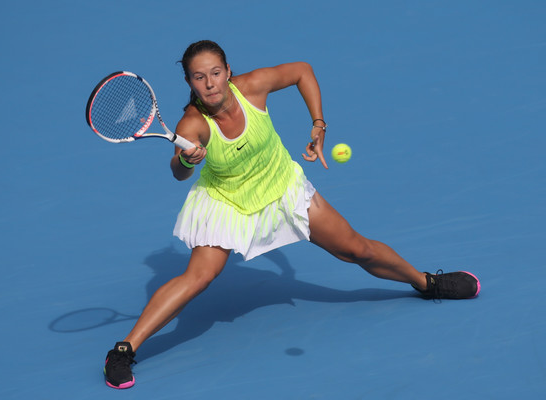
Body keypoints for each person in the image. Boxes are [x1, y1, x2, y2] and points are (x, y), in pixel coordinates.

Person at [103, 40, 481, 389]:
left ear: (228, 71)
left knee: (355, 248)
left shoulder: (253, 87)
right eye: (199, 77)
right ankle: (123, 351)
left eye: (215, 72)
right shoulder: (192, 124)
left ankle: (427, 282)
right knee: (199, 277)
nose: (210, 84)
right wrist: (186, 157)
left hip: (282, 188)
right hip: (229, 202)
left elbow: (302, 70)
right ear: (189, 81)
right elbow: (178, 172)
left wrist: (318, 124)